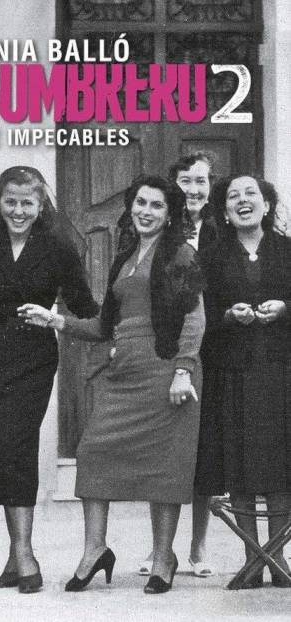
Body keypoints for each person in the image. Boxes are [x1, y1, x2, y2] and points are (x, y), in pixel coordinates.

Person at [19, 175, 206, 594]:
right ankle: (95, 550)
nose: (145, 211)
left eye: (156, 205)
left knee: (165, 466)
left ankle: (163, 557)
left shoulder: (181, 254)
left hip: (168, 371)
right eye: (140, 202)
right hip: (125, 373)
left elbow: (195, 317)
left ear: (170, 214)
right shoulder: (125, 257)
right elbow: (105, 326)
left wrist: (183, 370)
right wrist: (56, 320)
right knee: (93, 451)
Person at [0, 166, 98, 593]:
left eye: (27, 203)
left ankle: (24, 554)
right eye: (11, 202)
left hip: (33, 356)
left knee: (18, 445)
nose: (18, 211)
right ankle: (14, 555)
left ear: (41, 206)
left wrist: (61, 319)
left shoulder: (58, 247)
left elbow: (85, 305)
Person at [194, 174, 291, 588]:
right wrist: (227, 316)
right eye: (234, 196)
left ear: (267, 205)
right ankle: (253, 557)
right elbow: (199, 313)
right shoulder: (210, 258)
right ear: (225, 211)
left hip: (281, 371)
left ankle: (278, 556)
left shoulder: (288, 250)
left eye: (252, 193)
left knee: (282, 464)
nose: (243, 200)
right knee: (240, 463)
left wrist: (285, 308)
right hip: (231, 372)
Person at [140, 152, 217, 578]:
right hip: (168, 348)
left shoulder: (220, 231)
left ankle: (198, 546)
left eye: (201, 181)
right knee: (163, 448)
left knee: (202, 450)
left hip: (215, 347)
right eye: (185, 180)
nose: (193, 189)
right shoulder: (159, 229)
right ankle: (159, 549)